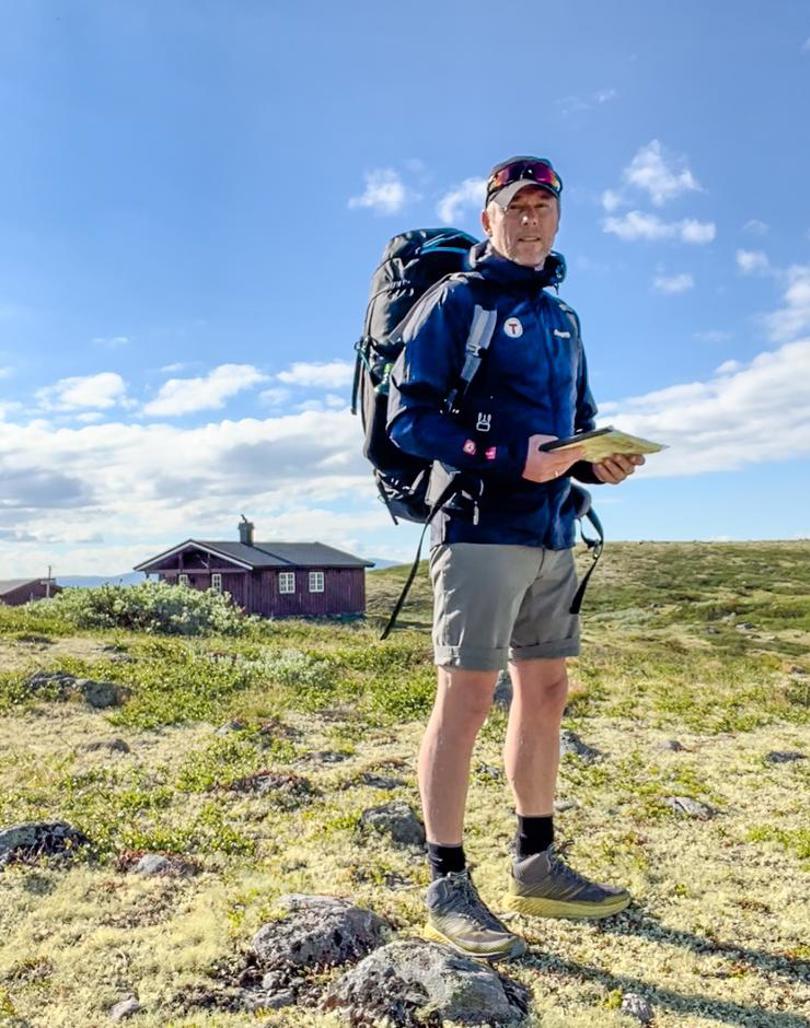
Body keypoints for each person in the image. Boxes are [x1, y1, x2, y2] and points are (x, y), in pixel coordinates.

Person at [386, 155, 646, 961]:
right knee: (466, 699)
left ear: (558, 220)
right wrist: (503, 456)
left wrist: (598, 459)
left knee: (549, 689)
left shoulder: (565, 319)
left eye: (544, 207)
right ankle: (447, 881)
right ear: (489, 212)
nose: (530, 219)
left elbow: (581, 419)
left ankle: (535, 862)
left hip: (553, 533)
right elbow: (409, 419)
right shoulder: (455, 303)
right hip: (478, 529)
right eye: (516, 205)